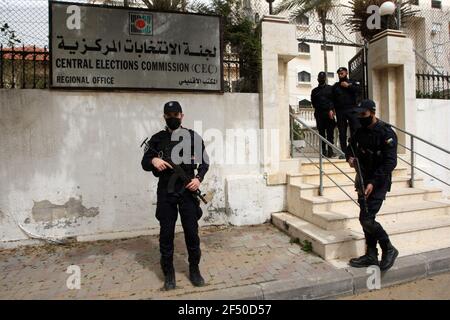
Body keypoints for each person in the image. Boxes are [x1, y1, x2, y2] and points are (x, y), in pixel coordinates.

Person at [141, 101, 209, 290]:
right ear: (164, 117)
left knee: (191, 233)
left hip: (187, 191)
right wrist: (154, 160)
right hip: (166, 192)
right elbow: (144, 162)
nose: (173, 118)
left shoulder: (193, 137)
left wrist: (198, 179)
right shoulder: (157, 139)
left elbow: (204, 162)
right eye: (169, 115)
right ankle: (169, 273)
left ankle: (194, 269)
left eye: (176, 114)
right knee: (166, 234)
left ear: (182, 116)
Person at [346, 99, 399, 272]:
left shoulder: (386, 133)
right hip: (363, 179)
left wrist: (373, 182)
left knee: (366, 219)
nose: (361, 117)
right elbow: (350, 148)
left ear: (372, 112)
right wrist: (350, 158)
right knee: (366, 217)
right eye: (359, 114)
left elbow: (390, 162)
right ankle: (370, 253)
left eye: (364, 114)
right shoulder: (360, 132)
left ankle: (388, 248)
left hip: (379, 180)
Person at [332, 67, 361, 158]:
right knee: (342, 132)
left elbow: (359, 90)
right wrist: (332, 109)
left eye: (342, 73)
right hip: (340, 112)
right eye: (339, 74)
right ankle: (344, 153)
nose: (341, 75)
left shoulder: (352, 82)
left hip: (352, 110)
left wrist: (348, 86)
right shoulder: (335, 86)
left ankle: (354, 152)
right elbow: (332, 99)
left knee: (355, 131)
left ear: (346, 73)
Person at [311, 71, 336, 158]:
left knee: (330, 134)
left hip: (329, 113)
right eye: (320, 78)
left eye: (323, 78)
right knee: (321, 134)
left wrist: (331, 110)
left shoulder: (330, 88)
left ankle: (330, 151)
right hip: (319, 114)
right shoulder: (314, 91)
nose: (321, 79)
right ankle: (323, 151)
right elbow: (313, 103)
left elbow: (333, 101)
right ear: (318, 79)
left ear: (325, 79)